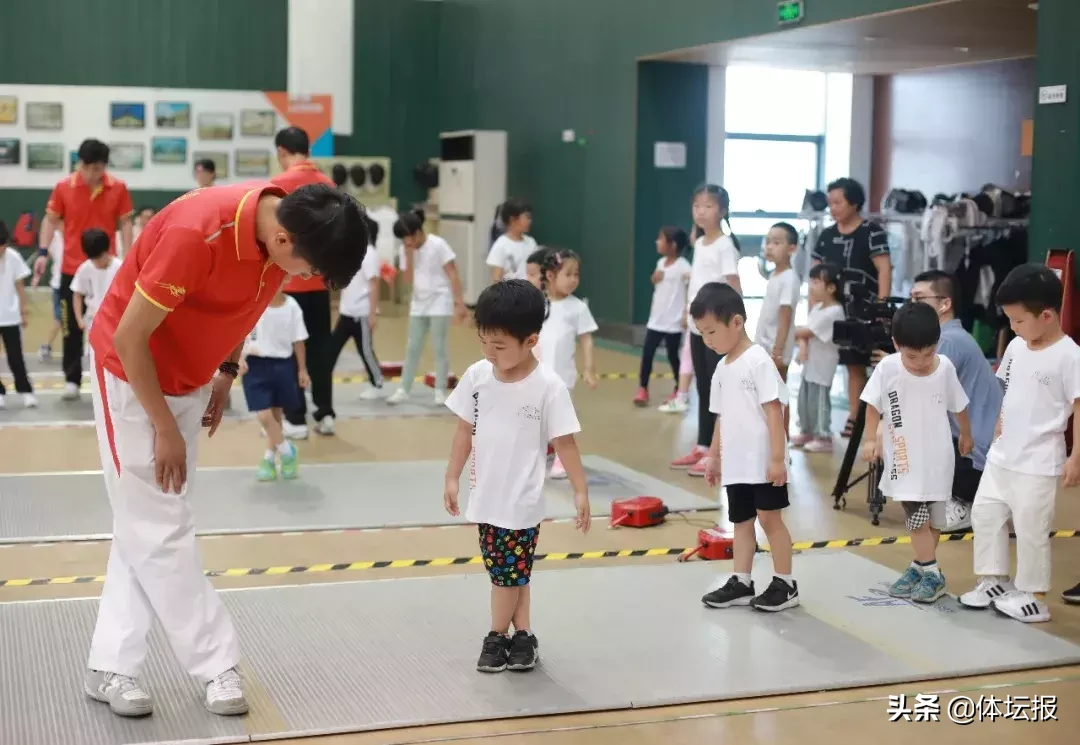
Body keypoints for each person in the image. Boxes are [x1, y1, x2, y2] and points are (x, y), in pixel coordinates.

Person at [83, 181, 368, 718]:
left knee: (145, 524)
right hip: (131, 379)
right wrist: (163, 426)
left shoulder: (287, 225)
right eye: (308, 269)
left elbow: (249, 301)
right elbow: (128, 338)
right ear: (283, 239)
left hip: (190, 381)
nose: (305, 279)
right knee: (161, 524)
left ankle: (110, 666)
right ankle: (217, 664)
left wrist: (225, 370)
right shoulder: (197, 235)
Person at [442, 279, 590, 673]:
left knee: (504, 576)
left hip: (520, 501)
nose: (490, 354)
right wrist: (452, 477)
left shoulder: (548, 387)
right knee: (512, 570)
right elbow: (462, 430)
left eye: (500, 346)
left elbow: (566, 443)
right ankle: (523, 635)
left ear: (531, 340)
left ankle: (496, 636)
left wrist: (580, 491)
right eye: (484, 343)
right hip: (486, 496)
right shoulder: (477, 377)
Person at [959, 264, 1080, 622]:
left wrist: (1075, 457)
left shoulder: (1069, 355)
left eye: (1019, 320)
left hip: (1038, 461)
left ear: (1046, 315)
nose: (1013, 328)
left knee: (1030, 528)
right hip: (1003, 455)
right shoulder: (1015, 346)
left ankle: (1033, 594)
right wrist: (998, 424)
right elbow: (1008, 389)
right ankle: (993, 580)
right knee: (986, 515)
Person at [694, 282, 798, 612]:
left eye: (712, 332)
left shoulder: (758, 361)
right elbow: (722, 416)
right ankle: (742, 579)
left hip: (764, 461)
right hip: (738, 463)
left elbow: (775, 411)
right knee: (740, 521)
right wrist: (713, 456)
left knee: (770, 520)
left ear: (736, 322)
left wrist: (778, 459)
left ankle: (786, 583)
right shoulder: (723, 369)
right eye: (702, 335)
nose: (708, 341)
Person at [860, 302, 973, 603]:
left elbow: (959, 405)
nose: (921, 362)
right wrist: (870, 439)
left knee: (935, 520)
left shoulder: (944, 367)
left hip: (938, 458)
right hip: (904, 459)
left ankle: (919, 566)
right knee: (917, 521)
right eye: (912, 355)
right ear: (896, 345)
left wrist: (966, 433)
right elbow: (872, 404)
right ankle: (934, 573)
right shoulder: (888, 368)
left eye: (928, 352)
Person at [33, 138, 134, 400]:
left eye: (98, 169)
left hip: (106, 270)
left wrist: (129, 256)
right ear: (79, 164)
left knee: (113, 324)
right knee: (71, 327)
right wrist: (43, 253)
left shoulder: (118, 188)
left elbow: (125, 224)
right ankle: (72, 380)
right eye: (88, 168)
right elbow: (51, 220)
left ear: (105, 166)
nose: (93, 174)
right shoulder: (64, 187)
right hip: (72, 268)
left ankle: (115, 376)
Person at [910, 270, 1003, 530]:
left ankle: (962, 501)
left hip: (975, 457)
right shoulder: (950, 337)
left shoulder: (948, 341)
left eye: (919, 298)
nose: (911, 307)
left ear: (944, 304)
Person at [271, 127, 339, 438]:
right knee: (320, 350)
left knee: (288, 351)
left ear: (282, 151)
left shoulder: (278, 185)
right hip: (321, 281)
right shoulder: (328, 186)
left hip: (289, 284)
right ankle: (325, 414)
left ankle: (295, 419)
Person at [670, 184, 742, 477]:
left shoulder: (725, 245)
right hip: (698, 326)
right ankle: (702, 444)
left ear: (722, 211)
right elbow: (697, 282)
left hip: (718, 327)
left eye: (708, 206)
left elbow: (733, 283)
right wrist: (688, 314)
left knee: (718, 388)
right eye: (697, 206)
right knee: (703, 387)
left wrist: (737, 322)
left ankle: (719, 451)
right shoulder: (700, 243)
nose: (701, 211)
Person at [811, 177, 890, 438]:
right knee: (840, 364)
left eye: (838, 202)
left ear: (854, 203)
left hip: (863, 309)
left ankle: (865, 416)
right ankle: (841, 418)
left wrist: (881, 306)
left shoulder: (871, 232)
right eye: (830, 203)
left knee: (866, 364)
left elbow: (883, 268)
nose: (833, 208)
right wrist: (813, 309)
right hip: (832, 311)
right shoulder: (826, 236)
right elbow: (815, 274)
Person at [387, 209, 467, 405]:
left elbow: (453, 274)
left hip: (440, 300)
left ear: (417, 233)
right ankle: (404, 389)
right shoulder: (405, 250)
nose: (407, 243)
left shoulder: (438, 245)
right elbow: (407, 279)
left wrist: (459, 302)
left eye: (408, 238)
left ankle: (440, 390)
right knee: (412, 346)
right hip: (418, 302)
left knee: (439, 346)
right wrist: (408, 255)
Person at [536, 248, 598, 478]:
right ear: (551, 276)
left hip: (562, 376)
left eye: (577, 274)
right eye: (568, 274)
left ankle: (564, 460)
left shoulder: (578, 307)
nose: (574, 279)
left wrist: (589, 370)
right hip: (537, 374)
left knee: (561, 420)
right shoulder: (538, 303)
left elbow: (587, 340)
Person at [240, 283, 308, 481]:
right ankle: (288, 453)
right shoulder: (254, 303)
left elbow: (299, 340)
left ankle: (269, 459)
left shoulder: (292, 307)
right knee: (264, 416)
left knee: (276, 416)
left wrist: (302, 369)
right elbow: (240, 333)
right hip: (255, 365)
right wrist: (239, 358)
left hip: (283, 365)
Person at [634, 226, 691, 407]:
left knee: (673, 356)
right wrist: (654, 278)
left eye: (661, 239)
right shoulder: (660, 263)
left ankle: (678, 387)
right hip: (656, 320)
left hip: (673, 322)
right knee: (647, 354)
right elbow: (658, 284)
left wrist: (686, 313)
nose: (657, 242)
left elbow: (691, 288)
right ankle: (643, 388)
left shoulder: (683, 266)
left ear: (672, 245)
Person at [330, 215, 385, 400]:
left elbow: (374, 284)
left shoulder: (369, 253)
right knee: (332, 348)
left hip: (361, 313)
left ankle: (377, 383)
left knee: (365, 350)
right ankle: (318, 381)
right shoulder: (355, 252)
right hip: (347, 312)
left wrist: (372, 314)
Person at [792, 263, 846, 452]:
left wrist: (788, 330)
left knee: (820, 399)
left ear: (831, 287)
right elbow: (805, 334)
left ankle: (823, 436)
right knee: (805, 398)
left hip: (823, 364)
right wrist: (803, 344)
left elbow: (806, 331)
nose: (811, 285)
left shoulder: (834, 311)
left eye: (816, 281)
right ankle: (807, 430)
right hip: (811, 364)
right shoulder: (818, 308)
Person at [755, 223, 801, 382]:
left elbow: (785, 317)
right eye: (767, 242)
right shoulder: (775, 274)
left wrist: (778, 349)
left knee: (777, 392)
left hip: (776, 347)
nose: (769, 247)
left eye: (776, 243)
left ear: (792, 248)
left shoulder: (789, 278)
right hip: (766, 344)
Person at [0, 220, 36, 409]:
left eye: (4, 246)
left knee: (15, 356)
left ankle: (26, 391)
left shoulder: (13, 257)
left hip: (10, 316)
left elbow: (20, 286)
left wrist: (23, 311)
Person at [72, 228, 123, 338]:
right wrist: (79, 319)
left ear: (107, 250)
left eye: (99, 258)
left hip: (116, 322)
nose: (97, 263)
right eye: (93, 259)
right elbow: (77, 294)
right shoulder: (85, 268)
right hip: (93, 321)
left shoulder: (120, 267)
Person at [487, 199, 537, 281]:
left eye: (530, 217)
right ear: (512, 219)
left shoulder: (531, 242)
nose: (529, 221)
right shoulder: (501, 245)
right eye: (526, 217)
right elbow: (496, 278)